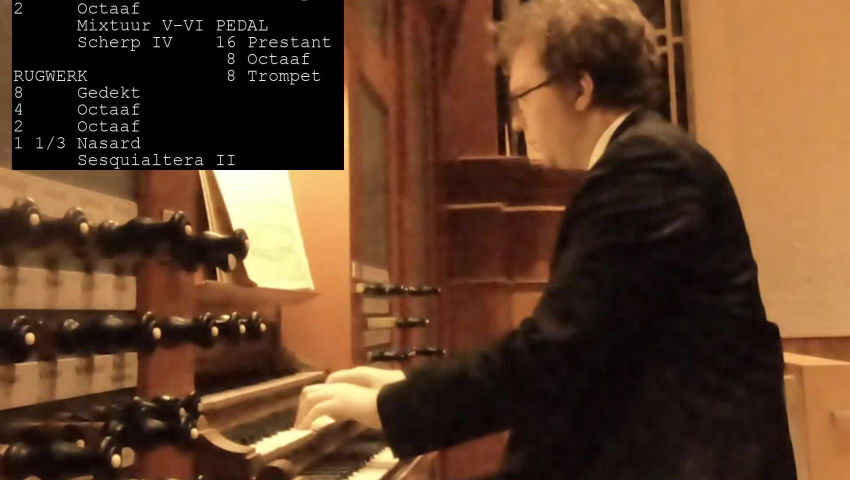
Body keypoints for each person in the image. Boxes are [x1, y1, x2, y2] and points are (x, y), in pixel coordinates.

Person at [296, 0, 798, 478]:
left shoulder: (648, 170)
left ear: (580, 89)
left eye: (522, 97)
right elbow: (576, 354)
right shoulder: (645, 162)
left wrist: (395, 406)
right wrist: (407, 388)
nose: (517, 120)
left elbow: (558, 354)